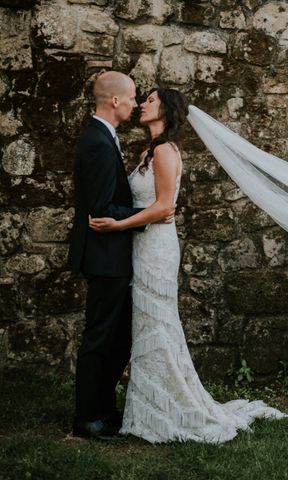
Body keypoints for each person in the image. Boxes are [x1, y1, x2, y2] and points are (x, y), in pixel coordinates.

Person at [88, 88, 286, 444]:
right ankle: (152, 405)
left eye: (149, 99)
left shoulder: (165, 151)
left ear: (166, 109)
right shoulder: (149, 149)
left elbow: (164, 207)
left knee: (157, 322)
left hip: (156, 248)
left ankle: (169, 407)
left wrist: (118, 224)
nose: (143, 104)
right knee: (147, 323)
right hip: (142, 244)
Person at [68, 71, 174, 441]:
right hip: (104, 254)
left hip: (114, 254)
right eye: (131, 98)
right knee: (99, 337)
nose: (135, 103)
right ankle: (86, 419)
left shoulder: (105, 137)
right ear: (114, 101)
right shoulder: (98, 141)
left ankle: (103, 408)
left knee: (117, 338)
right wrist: (149, 217)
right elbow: (101, 209)